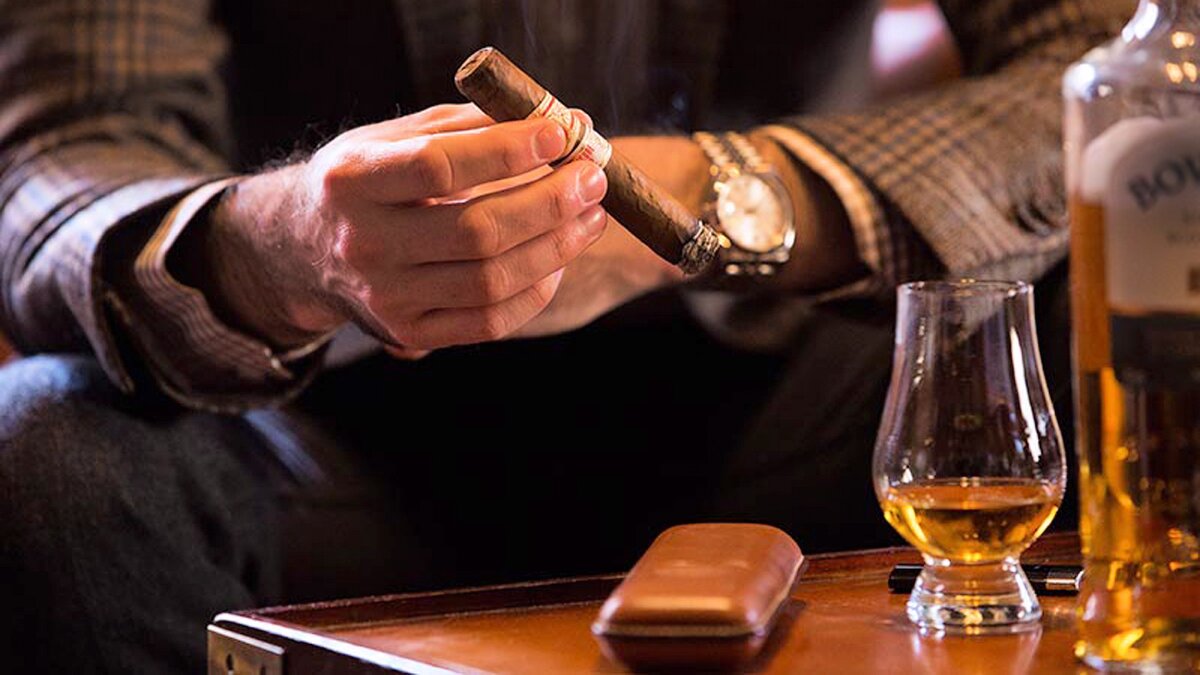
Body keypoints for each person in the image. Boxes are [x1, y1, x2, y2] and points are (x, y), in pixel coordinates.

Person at [0, 0, 1126, 672]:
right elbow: (62, 153)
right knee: (43, 455)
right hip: (316, 428)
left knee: (1126, 329)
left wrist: (723, 197)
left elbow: (1116, 63)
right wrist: (282, 244)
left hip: (790, 396)